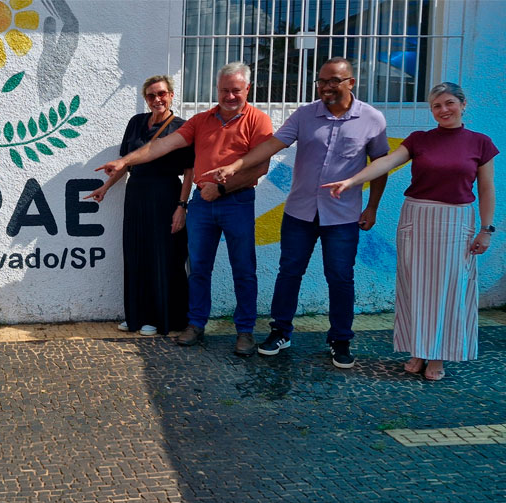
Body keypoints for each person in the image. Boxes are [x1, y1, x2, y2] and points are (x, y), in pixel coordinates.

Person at [205, 57, 389, 368]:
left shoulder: (372, 119)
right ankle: (280, 331)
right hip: (300, 212)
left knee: (341, 277)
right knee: (289, 273)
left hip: (343, 217)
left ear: (351, 83)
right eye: (321, 81)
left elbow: (380, 166)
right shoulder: (305, 114)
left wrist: (372, 207)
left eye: (334, 81)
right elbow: (273, 144)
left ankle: (340, 339)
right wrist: (237, 165)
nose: (326, 87)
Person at [324, 82, 496, 381]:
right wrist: (352, 182)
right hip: (417, 217)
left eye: (449, 103)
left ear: (462, 104)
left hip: (457, 221)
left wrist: (486, 229)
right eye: (436, 106)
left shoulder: (480, 143)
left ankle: (439, 354)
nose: (443, 110)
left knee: (449, 290)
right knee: (415, 287)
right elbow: (386, 162)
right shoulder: (419, 140)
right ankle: (418, 350)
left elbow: (486, 188)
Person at [97, 62, 273, 356]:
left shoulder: (258, 120)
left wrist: (221, 188)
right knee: (199, 269)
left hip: (237, 202)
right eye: (224, 90)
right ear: (216, 90)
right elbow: (160, 146)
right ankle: (195, 324)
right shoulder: (202, 121)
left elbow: (260, 166)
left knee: (243, 270)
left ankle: (245, 332)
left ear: (247, 90)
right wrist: (125, 162)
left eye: (236, 90)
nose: (229, 96)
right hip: (203, 205)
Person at [84, 75, 195, 337]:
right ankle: (137, 315)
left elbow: (190, 171)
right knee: (136, 253)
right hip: (136, 194)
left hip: (164, 195)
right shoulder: (135, 123)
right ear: (145, 99)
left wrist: (182, 205)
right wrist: (106, 187)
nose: (157, 99)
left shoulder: (182, 127)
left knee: (162, 256)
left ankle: (160, 318)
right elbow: (127, 163)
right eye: (151, 95)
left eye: (162, 94)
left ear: (171, 96)